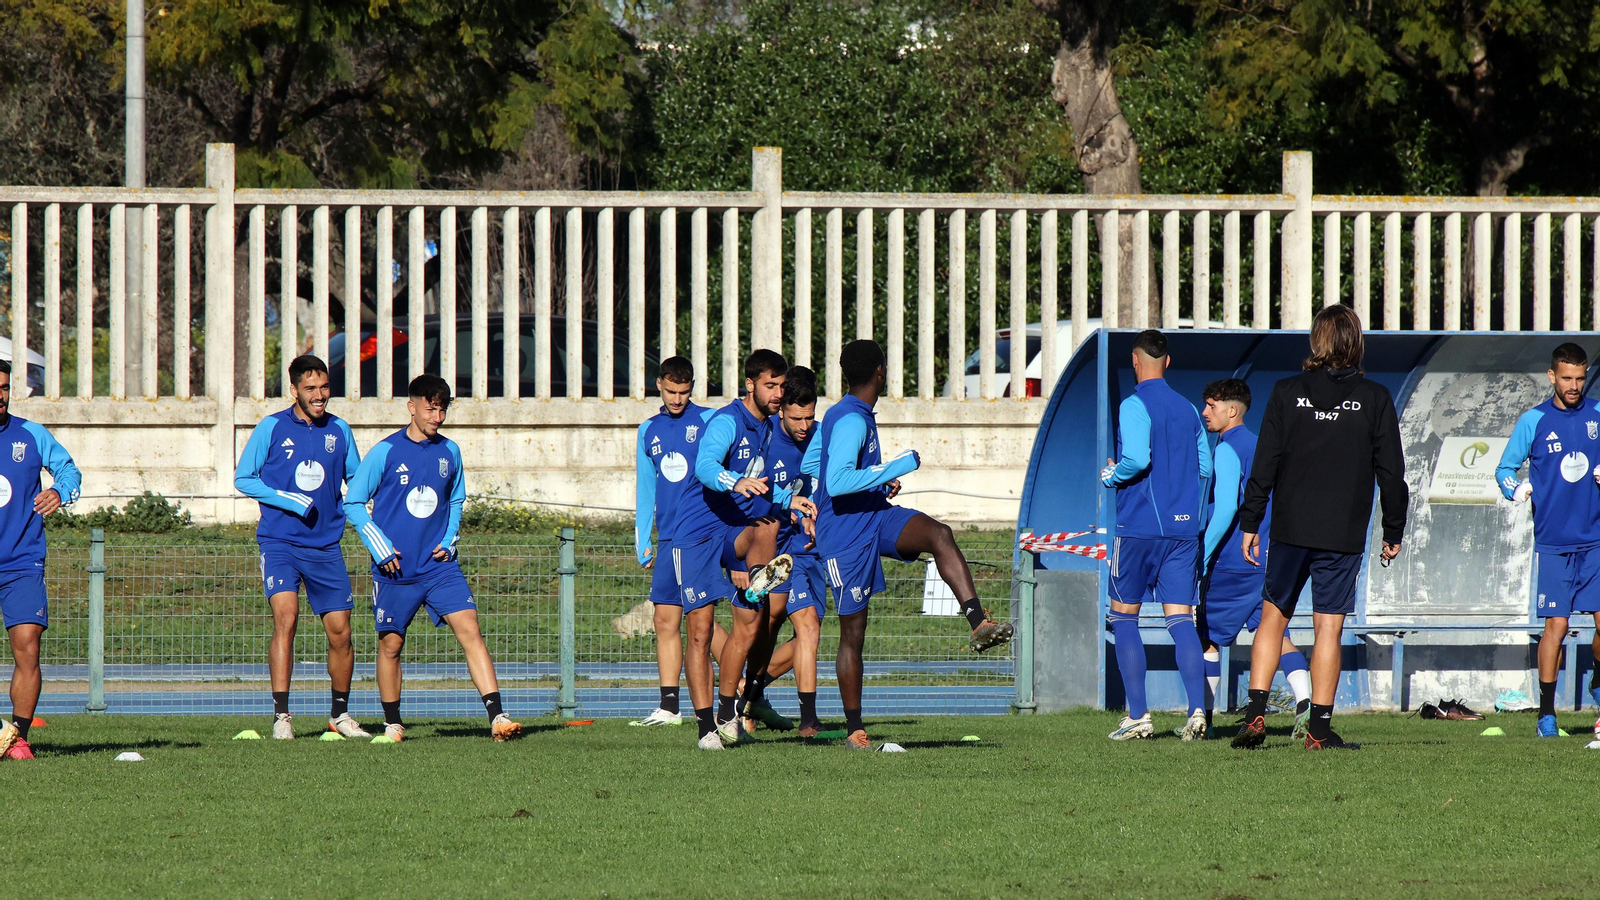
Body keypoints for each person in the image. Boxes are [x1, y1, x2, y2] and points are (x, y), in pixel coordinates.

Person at [805, 339, 1013, 750]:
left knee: (939, 534)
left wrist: (875, 482)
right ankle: (855, 730)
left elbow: (813, 462)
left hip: (874, 515)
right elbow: (837, 481)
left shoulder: (845, 414)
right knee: (853, 633)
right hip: (844, 534)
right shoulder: (850, 419)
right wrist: (893, 467)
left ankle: (978, 623)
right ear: (880, 372)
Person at [1233, 305, 1406, 751]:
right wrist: (1393, 530)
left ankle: (1255, 716)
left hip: (1290, 527)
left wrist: (1251, 521)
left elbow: (1264, 463)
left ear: (1317, 341)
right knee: (1328, 627)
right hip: (1341, 531)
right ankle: (1319, 732)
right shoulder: (1374, 398)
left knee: (1273, 617)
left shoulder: (1286, 391)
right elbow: (1392, 474)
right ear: (1355, 343)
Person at [344, 374, 521, 742]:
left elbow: (456, 498)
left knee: (470, 630)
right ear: (412, 407)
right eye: (430, 409)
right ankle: (393, 723)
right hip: (396, 569)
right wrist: (379, 546)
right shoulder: (385, 452)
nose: (437, 417)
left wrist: (450, 537)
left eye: (442, 410)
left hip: (440, 567)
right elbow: (354, 502)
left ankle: (498, 717)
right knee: (391, 645)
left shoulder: (449, 451)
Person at [674, 350, 809, 749]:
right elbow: (705, 466)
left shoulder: (766, 426)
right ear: (750, 385)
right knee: (699, 631)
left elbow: (759, 483)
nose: (778, 393)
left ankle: (727, 712)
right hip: (696, 534)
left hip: (733, 529)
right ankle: (705, 730)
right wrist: (734, 482)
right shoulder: (727, 421)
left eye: (781, 386)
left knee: (750, 622)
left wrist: (788, 500)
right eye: (771, 385)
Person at [234, 354, 368, 740]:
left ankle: (339, 715)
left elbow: (358, 480)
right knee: (287, 618)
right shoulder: (272, 427)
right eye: (310, 388)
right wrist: (289, 500)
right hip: (280, 543)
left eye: (324, 387)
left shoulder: (340, 430)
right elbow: (244, 478)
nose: (319, 395)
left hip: (325, 546)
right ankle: (282, 717)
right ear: (294, 390)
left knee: (341, 633)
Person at [1098, 330, 1212, 742]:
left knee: (1123, 616)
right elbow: (1205, 468)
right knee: (1181, 619)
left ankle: (1138, 716)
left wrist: (1112, 475)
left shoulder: (1134, 404)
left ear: (1135, 361)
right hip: (1183, 532)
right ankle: (1197, 711)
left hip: (1139, 528)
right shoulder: (1189, 409)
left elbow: (1135, 459)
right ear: (1167, 362)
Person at [1195, 378, 1312, 739]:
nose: (1205, 412)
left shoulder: (1227, 448)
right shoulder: (1263, 446)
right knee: (1276, 634)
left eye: (1212, 406)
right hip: (1267, 558)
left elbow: (1226, 508)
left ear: (1232, 410)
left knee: (1206, 638)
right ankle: (1305, 705)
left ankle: (1204, 720)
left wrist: (1203, 555)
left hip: (1232, 560)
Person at [1495, 342, 1600, 738]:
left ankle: (1598, 682)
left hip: (1596, 539)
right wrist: (1516, 489)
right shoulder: (1534, 421)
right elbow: (1504, 469)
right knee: (1556, 625)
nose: (1574, 386)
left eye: (1580, 378)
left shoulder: (1598, 415)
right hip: (1554, 543)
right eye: (1567, 378)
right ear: (1552, 376)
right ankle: (1546, 714)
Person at [631, 356, 731, 727]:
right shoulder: (648, 430)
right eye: (671, 391)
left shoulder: (710, 421)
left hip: (701, 534)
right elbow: (646, 487)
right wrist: (643, 538)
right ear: (659, 385)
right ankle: (670, 706)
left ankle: (740, 686)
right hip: (669, 536)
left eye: (684, 392)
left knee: (700, 621)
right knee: (664, 618)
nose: (677, 399)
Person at [739, 366, 827, 736]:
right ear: (781, 411)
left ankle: (750, 693)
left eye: (810, 417)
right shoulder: (766, 437)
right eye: (796, 419)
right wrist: (785, 505)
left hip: (809, 547)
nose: (805, 426)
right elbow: (747, 489)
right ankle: (756, 697)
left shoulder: (822, 436)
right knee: (773, 621)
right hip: (772, 542)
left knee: (808, 629)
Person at [0, 360, 80, 761]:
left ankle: (17, 737)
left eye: (3, 388)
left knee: (28, 646)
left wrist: (60, 492)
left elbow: (69, 470)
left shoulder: (31, 435)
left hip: (22, 561)